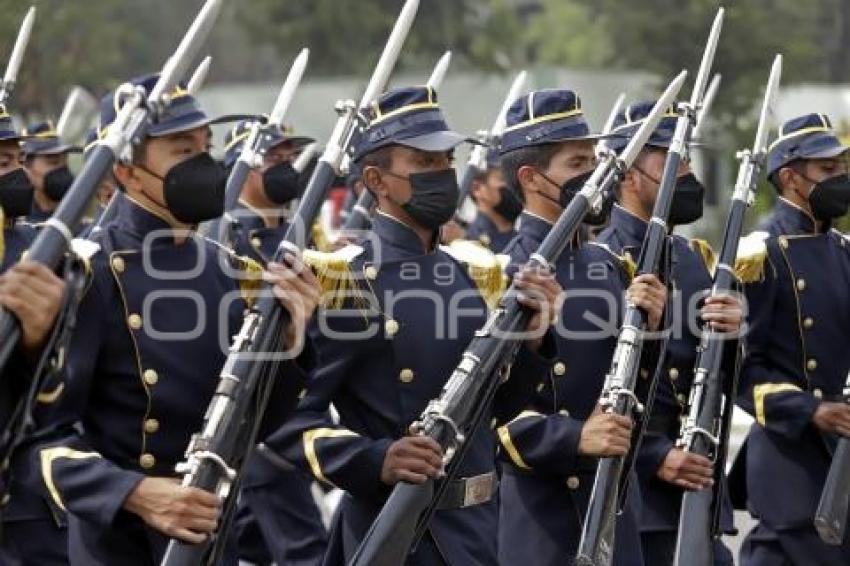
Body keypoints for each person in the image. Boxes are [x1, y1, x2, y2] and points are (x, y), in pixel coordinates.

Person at [16, 75, 321, 565]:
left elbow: (254, 422)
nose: (204, 164)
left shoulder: (226, 267)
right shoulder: (89, 272)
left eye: (206, 146)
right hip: (121, 546)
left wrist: (290, 340)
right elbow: (37, 445)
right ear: (127, 172)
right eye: (183, 150)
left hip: (209, 536)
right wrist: (136, 493)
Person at [265, 85, 561, 565]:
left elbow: (495, 410)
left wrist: (535, 341)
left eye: (446, 160)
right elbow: (289, 423)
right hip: (394, 535)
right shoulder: (347, 283)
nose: (443, 174)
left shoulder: (475, 273)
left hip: (481, 531)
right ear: (377, 181)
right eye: (424, 164)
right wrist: (374, 459)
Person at [494, 87, 666, 566]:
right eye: (577, 164)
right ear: (531, 177)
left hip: (612, 505)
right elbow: (488, 413)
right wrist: (573, 438)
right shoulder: (500, 272)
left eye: (594, 159)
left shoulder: (609, 265)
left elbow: (637, 388)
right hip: (543, 521)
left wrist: (652, 327)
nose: (594, 175)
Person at [599, 101, 742, 565]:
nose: (686, 173)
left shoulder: (693, 256)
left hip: (697, 477)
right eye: (670, 162)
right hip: (635, 487)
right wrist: (655, 455)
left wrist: (732, 335)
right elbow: (588, 387)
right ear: (629, 176)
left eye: (686, 160)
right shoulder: (602, 259)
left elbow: (717, 372)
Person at [211, 119, 328, 566]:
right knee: (305, 552)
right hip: (266, 426)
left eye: (288, 157)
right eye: (274, 158)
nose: (286, 166)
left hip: (302, 401)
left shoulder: (299, 232)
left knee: (252, 546)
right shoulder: (232, 241)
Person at [736, 112, 850, 566]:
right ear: (790, 177)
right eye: (828, 171)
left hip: (840, 454)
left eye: (842, 168)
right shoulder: (759, 254)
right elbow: (742, 373)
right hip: (790, 459)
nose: (841, 178)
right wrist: (812, 410)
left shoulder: (843, 251)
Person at [0, 108, 70, 566]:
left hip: (28, 494)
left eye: (19, 160)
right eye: (4, 163)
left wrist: (37, 342)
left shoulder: (42, 251)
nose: (19, 174)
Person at [22, 121, 79, 225]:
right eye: (53, 162)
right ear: (26, 167)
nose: (61, 169)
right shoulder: (16, 225)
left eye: (65, 162)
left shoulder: (81, 213)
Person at [464, 148, 520, 252]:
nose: (514, 185)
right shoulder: (470, 244)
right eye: (504, 179)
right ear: (477, 188)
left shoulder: (525, 239)